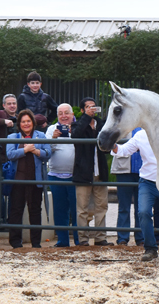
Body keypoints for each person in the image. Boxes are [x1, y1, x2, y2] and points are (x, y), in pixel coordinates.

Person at [113, 127, 159, 261]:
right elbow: (123, 150)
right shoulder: (141, 135)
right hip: (148, 182)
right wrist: (112, 145)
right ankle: (150, 248)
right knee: (143, 212)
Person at [5, 109, 51, 248]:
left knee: (36, 211)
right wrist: (25, 150)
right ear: (19, 123)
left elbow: (47, 153)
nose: (26, 124)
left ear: (33, 122)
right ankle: (15, 243)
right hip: (17, 180)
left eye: (28, 121)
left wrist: (35, 150)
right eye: (23, 121)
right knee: (16, 211)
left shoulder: (41, 136)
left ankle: (36, 243)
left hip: (35, 180)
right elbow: (10, 155)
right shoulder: (12, 137)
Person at [72, 97, 112, 247]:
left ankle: (101, 238)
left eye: (94, 107)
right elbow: (75, 136)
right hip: (83, 172)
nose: (92, 109)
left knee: (102, 206)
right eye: (88, 107)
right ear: (82, 110)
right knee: (82, 208)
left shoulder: (102, 124)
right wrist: (86, 118)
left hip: (99, 171)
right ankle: (83, 239)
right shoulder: (78, 124)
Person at [45, 103, 80, 247]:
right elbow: (45, 151)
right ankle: (62, 241)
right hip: (55, 175)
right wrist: (53, 138)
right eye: (60, 113)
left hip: (76, 176)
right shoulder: (51, 129)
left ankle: (80, 241)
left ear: (72, 114)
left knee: (77, 210)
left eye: (66, 113)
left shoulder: (80, 127)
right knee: (59, 210)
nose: (64, 116)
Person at [111, 127, 143, 247]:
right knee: (124, 206)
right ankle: (122, 238)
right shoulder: (122, 123)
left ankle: (141, 237)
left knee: (141, 208)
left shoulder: (145, 125)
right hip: (123, 170)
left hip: (143, 170)